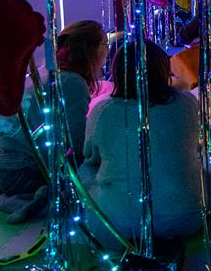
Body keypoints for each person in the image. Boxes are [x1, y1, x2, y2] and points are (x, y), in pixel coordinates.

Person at [80, 40, 202, 249]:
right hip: (186, 218)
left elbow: (90, 156)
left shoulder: (103, 111)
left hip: (116, 224)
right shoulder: (187, 103)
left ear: (117, 72)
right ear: (163, 69)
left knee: (85, 169)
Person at [0, 21, 107, 223]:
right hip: (17, 173)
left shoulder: (45, 75)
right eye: (104, 44)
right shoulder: (72, 82)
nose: (107, 50)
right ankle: (28, 200)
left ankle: (26, 198)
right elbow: (77, 143)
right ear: (89, 50)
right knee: (86, 182)